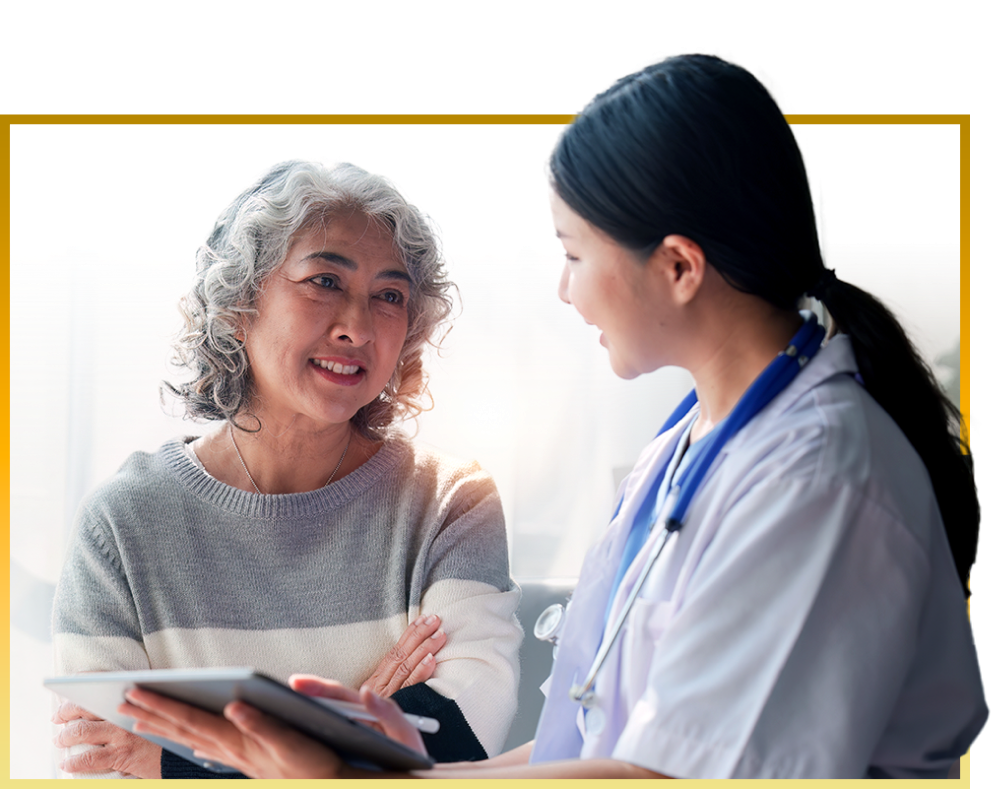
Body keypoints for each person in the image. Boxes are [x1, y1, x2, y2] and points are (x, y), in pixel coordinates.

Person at [116, 52, 987, 779]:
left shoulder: (820, 482)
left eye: (573, 253)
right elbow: (599, 746)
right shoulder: (690, 447)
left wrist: (359, 784)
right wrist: (412, 768)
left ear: (679, 267)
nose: (564, 288)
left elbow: (676, 781)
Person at [50, 153, 523, 779]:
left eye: (389, 295)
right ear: (240, 299)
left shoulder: (452, 502)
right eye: (324, 281)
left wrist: (186, 755)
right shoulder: (122, 524)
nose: (357, 326)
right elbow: (103, 762)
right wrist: (363, 724)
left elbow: (463, 731)